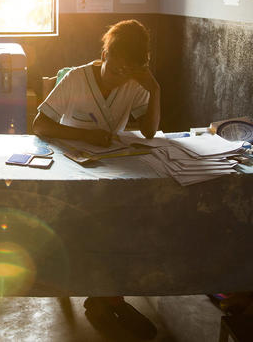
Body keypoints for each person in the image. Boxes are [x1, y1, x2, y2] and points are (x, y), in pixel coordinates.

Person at [32, 19, 160, 340]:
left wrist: (154, 88)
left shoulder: (133, 82)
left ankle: (109, 297)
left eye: (129, 71)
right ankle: (104, 299)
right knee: (98, 221)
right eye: (116, 69)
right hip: (71, 170)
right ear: (105, 53)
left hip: (109, 168)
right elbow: (40, 125)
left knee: (130, 219)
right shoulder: (77, 79)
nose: (121, 78)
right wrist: (85, 134)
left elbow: (148, 131)